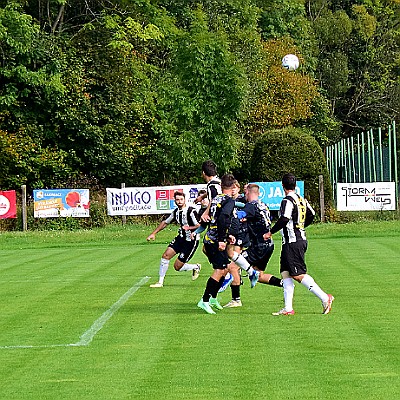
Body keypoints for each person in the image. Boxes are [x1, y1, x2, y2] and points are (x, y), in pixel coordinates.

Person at [265, 173, 334, 315]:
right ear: (295, 185)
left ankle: (325, 297)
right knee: (285, 273)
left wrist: (270, 232)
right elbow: (312, 214)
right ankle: (288, 308)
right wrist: (301, 225)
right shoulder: (301, 199)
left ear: (282, 186)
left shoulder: (287, 200)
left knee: (298, 274)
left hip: (293, 242)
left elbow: (284, 219)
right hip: (292, 241)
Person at [147, 191, 201, 287]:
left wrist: (189, 228)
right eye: (177, 200)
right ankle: (160, 282)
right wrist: (153, 233)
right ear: (175, 201)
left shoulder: (191, 211)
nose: (179, 201)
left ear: (185, 200)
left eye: (181, 199)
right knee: (165, 256)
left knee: (177, 267)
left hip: (191, 241)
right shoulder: (176, 212)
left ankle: (196, 267)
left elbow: (199, 225)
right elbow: (165, 223)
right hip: (180, 239)